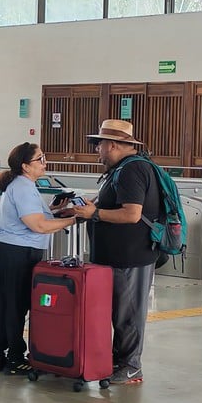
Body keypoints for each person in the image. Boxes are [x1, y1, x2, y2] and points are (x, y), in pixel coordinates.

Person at [72, 119, 160, 385]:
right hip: (117, 256)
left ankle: (131, 366)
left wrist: (95, 213)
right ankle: (120, 360)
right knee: (119, 312)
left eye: (99, 144)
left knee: (128, 313)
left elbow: (132, 214)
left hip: (130, 256)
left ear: (112, 145)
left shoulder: (133, 170)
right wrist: (91, 207)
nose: (97, 150)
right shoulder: (120, 169)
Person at [0, 143, 76, 375]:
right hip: (17, 252)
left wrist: (55, 211)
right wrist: (75, 220)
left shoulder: (23, 185)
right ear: (25, 166)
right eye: (39, 159)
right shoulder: (23, 187)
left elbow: (36, 218)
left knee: (5, 304)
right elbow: (38, 225)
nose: (44, 162)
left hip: (8, 249)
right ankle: (14, 358)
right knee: (15, 306)